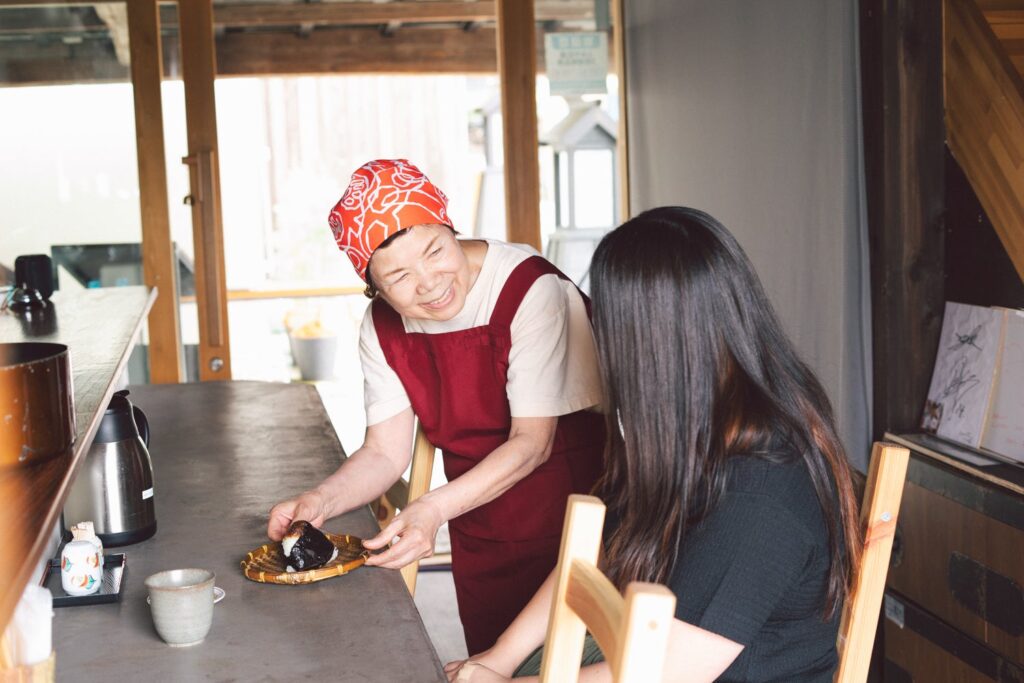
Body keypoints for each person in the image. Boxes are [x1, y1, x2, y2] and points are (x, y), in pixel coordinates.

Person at [444, 206, 862, 682]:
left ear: (647, 347)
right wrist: (495, 659)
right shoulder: (694, 438)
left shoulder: (760, 497)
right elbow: (591, 554)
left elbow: (662, 676)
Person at [267, 159, 606, 655]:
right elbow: (385, 453)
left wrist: (431, 509)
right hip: (478, 525)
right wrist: (321, 501)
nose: (428, 283)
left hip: (577, 520)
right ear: (374, 288)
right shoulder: (381, 327)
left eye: (434, 251)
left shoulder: (529, 290)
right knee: (488, 662)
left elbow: (534, 444)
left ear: (450, 226)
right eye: (399, 276)